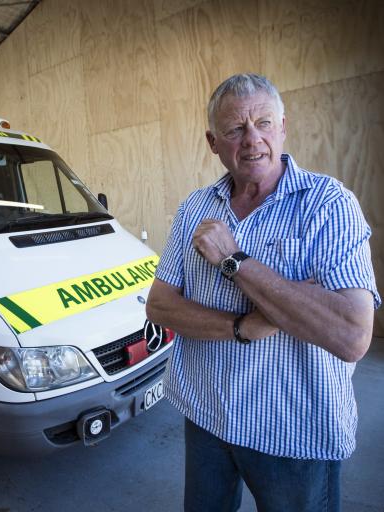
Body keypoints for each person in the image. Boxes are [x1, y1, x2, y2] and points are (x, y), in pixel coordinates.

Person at [146, 73, 380, 512]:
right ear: (213, 142)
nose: (252, 139)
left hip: (293, 433)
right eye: (235, 129)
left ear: (283, 127)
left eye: (264, 123)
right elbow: (159, 305)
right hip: (206, 416)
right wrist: (245, 325)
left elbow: (350, 335)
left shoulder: (328, 205)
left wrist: (236, 261)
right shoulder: (195, 207)